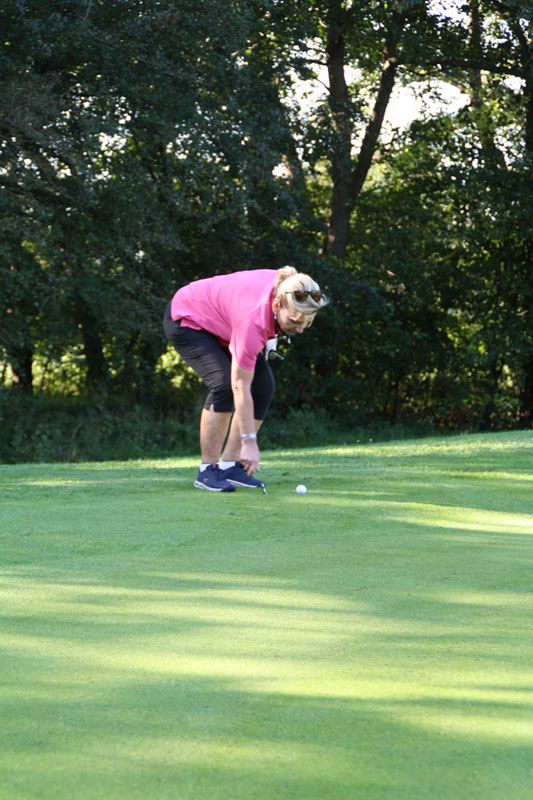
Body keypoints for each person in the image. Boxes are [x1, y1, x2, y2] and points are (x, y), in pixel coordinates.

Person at [163, 266, 328, 492]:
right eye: (294, 321)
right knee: (223, 384)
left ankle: (230, 466)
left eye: (306, 323)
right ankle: (207, 471)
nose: (300, 329)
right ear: (276, 306)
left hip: (226, 322)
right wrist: (249, 443)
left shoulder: (291, 285)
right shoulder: (253, 321)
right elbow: (239, 386)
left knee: (263, 387)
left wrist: (275, 331)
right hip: (189, 317)